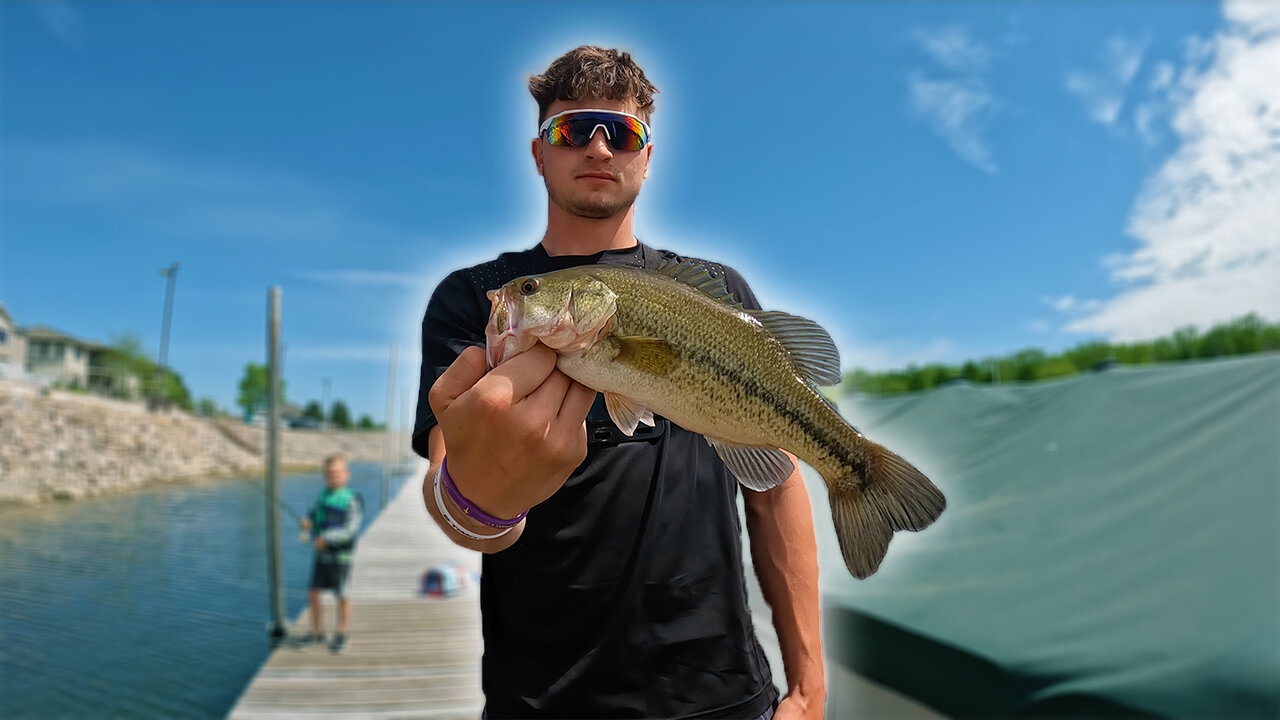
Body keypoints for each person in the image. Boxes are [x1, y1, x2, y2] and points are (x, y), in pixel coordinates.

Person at [414, 46, 825, 719]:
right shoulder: (475, 299)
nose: (598, 148)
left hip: (723, 695)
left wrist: (808, 685)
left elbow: (775, 486)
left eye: (622, 132)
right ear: (539, 153)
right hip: (539, 701)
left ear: (648, 156)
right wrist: (480, 503)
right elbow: (447, 489)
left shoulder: (722, 293)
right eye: (572, 131)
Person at [296, 453, 362, 654]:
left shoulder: (352, 500)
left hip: (341, 558)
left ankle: (342, 634)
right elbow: (315, 515)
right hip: (321, 557)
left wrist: (325, 538)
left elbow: (350, 530)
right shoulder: (323, 495)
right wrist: (308, 522)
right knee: (313, 593)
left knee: (342, 595)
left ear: (346, 474)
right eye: (329, 474)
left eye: (336, 473)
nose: (332, 477)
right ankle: (316, 633)